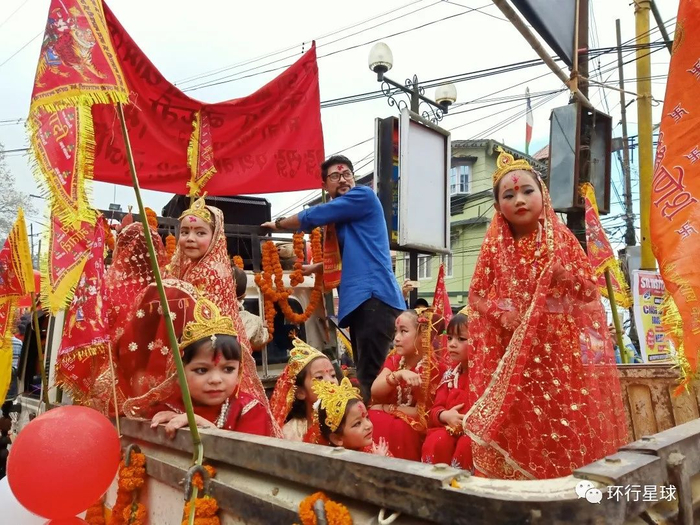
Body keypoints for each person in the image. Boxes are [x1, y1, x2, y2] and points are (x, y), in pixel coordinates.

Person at [463, 147, 628, 480]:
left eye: (527, 191)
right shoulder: (494, 246)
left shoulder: (562, 239)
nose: (519, 200)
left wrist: (563, 276)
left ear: (543, 195)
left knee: (561, 424)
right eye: (509, 195)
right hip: (513, 356)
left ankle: (565, 492)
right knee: (518, 424)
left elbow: (589, 292)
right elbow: (476, 296)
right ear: (498, 206)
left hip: (561, 360)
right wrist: (501, 315)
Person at [261, 156, 405, 401]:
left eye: (347, 174)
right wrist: (315, 268)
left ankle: (374, 423)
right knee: (367, 373)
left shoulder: (362, 196)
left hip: (374, 297)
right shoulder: (344, 218)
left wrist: (279, 224)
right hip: (364, 302)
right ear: (325, 185)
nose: (343, 180)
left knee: (373, 378)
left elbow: (315, 214)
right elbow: (350, 257)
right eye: (335, 176)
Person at [169, 197, 269, 417]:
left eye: (200, 233)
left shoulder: (209, 271)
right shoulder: (193, 266)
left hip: (211, 357)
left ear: (215, 237)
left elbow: (198, 323)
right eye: (184, 232)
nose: (190, 238)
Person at [150, 296, 271, 438]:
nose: (215, 380)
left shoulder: (250, 410)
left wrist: (203, 425)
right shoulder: (165, 410)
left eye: (228, 369)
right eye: (202, 370)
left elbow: (250, 452)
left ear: (239, 373)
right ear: (178, 373)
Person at [368, 308, 445, 460]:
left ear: (422, 335)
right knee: (371, 418)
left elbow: (422, 414)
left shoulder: (433, 369)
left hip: (415, 427)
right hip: (391, 418)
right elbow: (375, 390)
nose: (396, 338)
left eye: (403, 331)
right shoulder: (395, 360)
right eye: (395, 331)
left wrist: (386, 408)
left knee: (398, 428)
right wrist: (398, 375)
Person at [421, 313, 472, 470]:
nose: (452, 344)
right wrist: (446, 416)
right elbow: (435, 410)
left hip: (472, 434)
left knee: (466, 445)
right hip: (446, 429)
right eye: (449, 338)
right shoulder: (450, 376)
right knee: (439, 441)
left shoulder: (484, 379)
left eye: (461, 339)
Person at [270, 338, 338, 443]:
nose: (331, 381)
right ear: (300, 392)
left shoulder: (348, 419)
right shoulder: (291, 433)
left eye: (333, 375)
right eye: (319, 377)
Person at [314, 377, 390, 456]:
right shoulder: (331, 461)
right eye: (357, 423)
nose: (368, 425)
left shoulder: (375, 451)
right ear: (337, 438)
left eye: (367, 417)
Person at [232, 266, 269, 348]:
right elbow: (260, 340)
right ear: (243, 296)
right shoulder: (253, 321)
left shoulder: (207, 313)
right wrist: (264, 328)